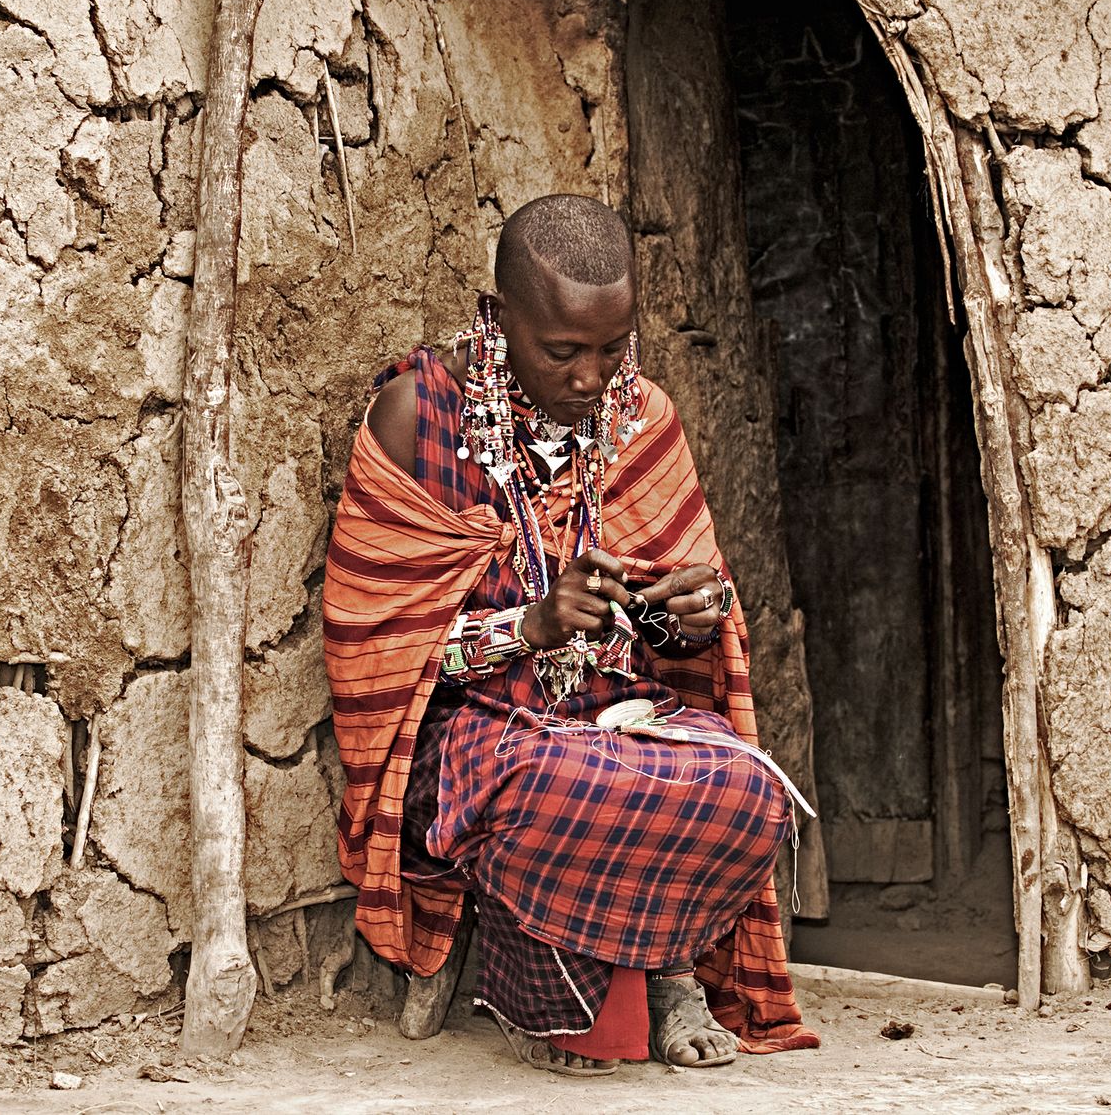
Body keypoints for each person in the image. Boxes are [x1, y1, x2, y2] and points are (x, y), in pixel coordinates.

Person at [324, 194, 818, 1075]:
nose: (593, 377)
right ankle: (576, 995)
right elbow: (378, 656)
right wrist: (532, 623)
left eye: (611, 347)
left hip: (623, 717)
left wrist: (680, 613)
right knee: (555, 788)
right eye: (563, 351)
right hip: (481, 736)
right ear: (502, 313)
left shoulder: (642, 416)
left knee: (746, 788)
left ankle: (668, 970)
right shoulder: (415, 417)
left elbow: (669, 627)